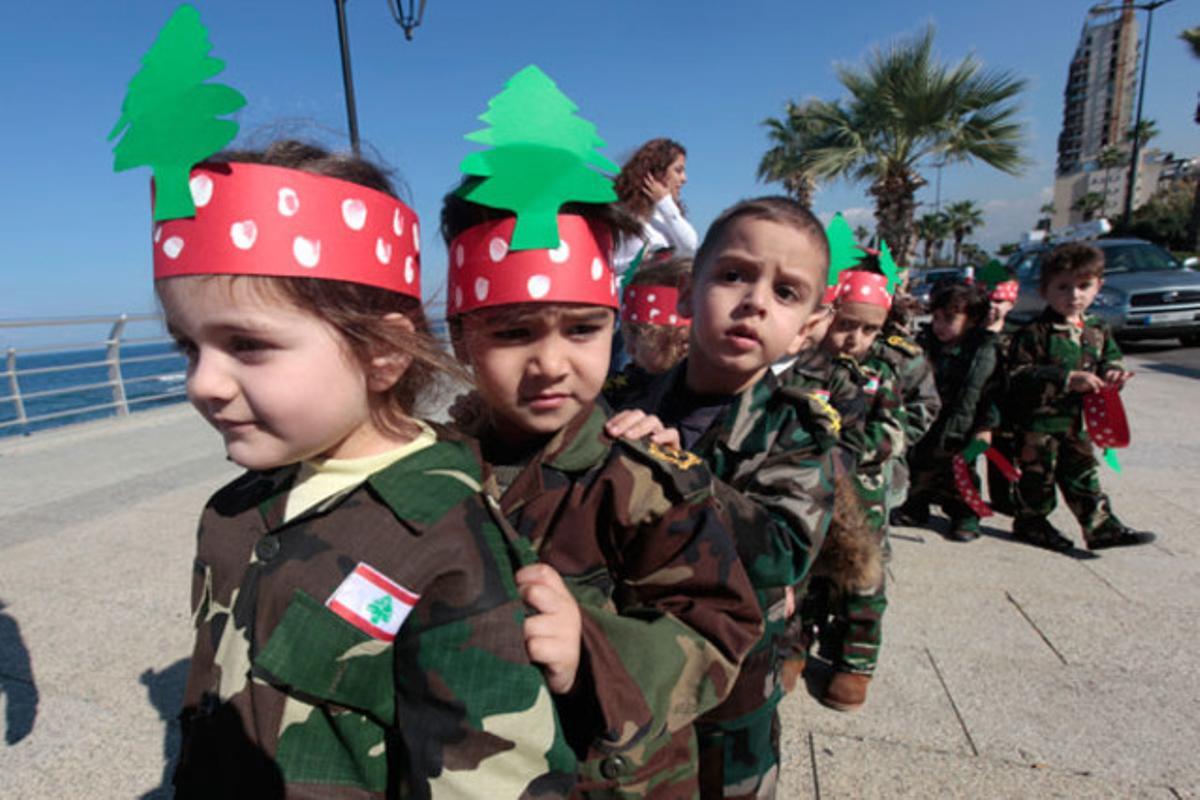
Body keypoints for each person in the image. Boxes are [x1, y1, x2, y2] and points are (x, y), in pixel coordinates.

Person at [153, 142, 577, 797]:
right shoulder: (232, 512)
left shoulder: (444, 538)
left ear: (382, 351)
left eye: (247, 345)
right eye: (189, 345)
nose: (203, 383)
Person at [441, 68, 762, 798]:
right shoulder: (429, 466)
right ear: (460, 338)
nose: (551, 363)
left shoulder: (642, 478)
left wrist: (592, 649)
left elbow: (723, 629)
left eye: (583, 329)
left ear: (613, 325)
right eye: (513, 332)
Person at [613, 196, 838, 799]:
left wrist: (679, 474)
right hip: (626, 667)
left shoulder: (795, 430)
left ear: (809, 326)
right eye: (733, 274)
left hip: (729, 688)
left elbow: (783, 551)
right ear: (688, 295)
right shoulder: (623, 400)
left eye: (787, 292)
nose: (755, 302)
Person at [1006, 242, 1157, 551]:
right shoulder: (1035, 332)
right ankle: (1031, 522)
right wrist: (1064, 378)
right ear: (1046, 290)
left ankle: (1101, 527)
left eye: (1083, 286)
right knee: (1039, 476)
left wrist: (1113, 373)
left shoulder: (1097, 329)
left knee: (1082, 472)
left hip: (1080, 420)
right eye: (1063, 287)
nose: (1074, 295)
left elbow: (1110, 358)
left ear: (1098, 286)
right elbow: (1016, 372)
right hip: (1040, 423)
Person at [815, 269, 907, 712]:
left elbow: (894, 429)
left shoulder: (882, 369)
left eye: (869, 329)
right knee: (808, 569)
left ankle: (856, 662)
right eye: (846, 325)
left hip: (863, 491)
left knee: (864, 580)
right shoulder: (807, 361)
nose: (855, 338)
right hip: (812, 486)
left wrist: (851, 448)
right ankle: (795, 648)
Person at [894, 282, 1001, 541]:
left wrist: (986, 427)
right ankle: (915, 506)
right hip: (929, 421)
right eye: (936, 317)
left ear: (973, 319)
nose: (939, 325)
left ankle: (965, 515)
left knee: (961, 473)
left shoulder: (984, 351)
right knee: (920, 468)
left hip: (963, 425)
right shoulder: (925, 344)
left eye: (949, 319)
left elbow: (994, 392)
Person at [604, 254, 693, 408]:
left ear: (681, 337)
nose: (628, 348)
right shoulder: (618, 387)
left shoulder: (696, 405)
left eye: (637, 332)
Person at [612, 138, 698, 273]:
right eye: (678, 170)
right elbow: (613, 262)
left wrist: (664, 202)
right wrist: (644, 263)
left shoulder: (667, 215)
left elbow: (689, 246)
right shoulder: (626, 213)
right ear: (657, 173)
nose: (684, 178)